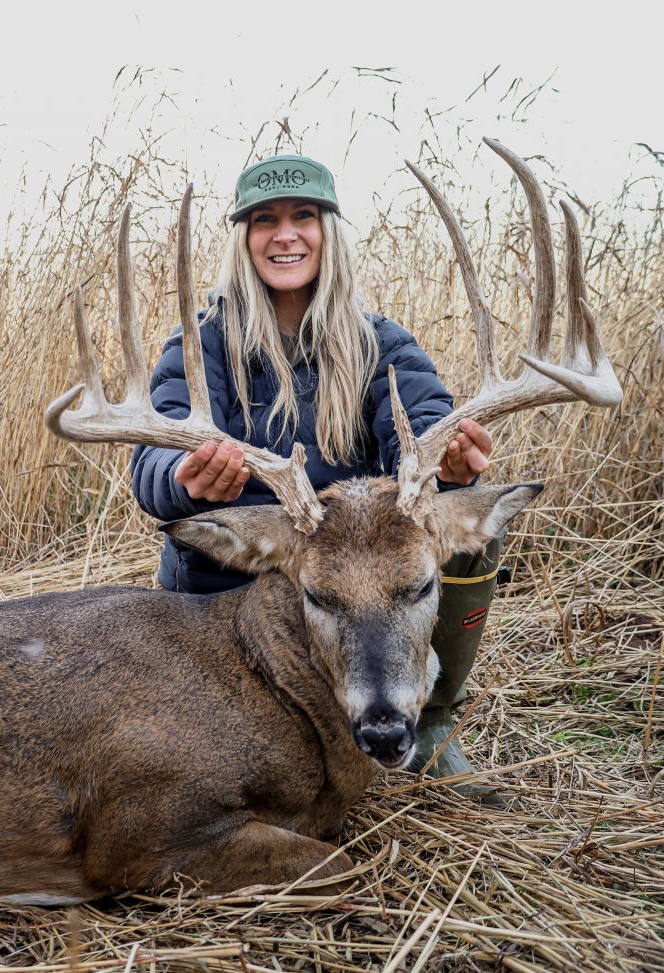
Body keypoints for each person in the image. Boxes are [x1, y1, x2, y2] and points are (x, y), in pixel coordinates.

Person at [128, 153, 504, 799]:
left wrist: (448, 461)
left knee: (473, 531)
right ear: (242, 239)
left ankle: (436, 718)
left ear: (330, 230)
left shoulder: (381, 341)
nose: (285, 234)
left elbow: (422, 422)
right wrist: (189, 477)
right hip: (233, 573)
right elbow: (149, 467)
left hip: (354, 564)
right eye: (264, 220)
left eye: (305, 216)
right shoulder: (203, 342)